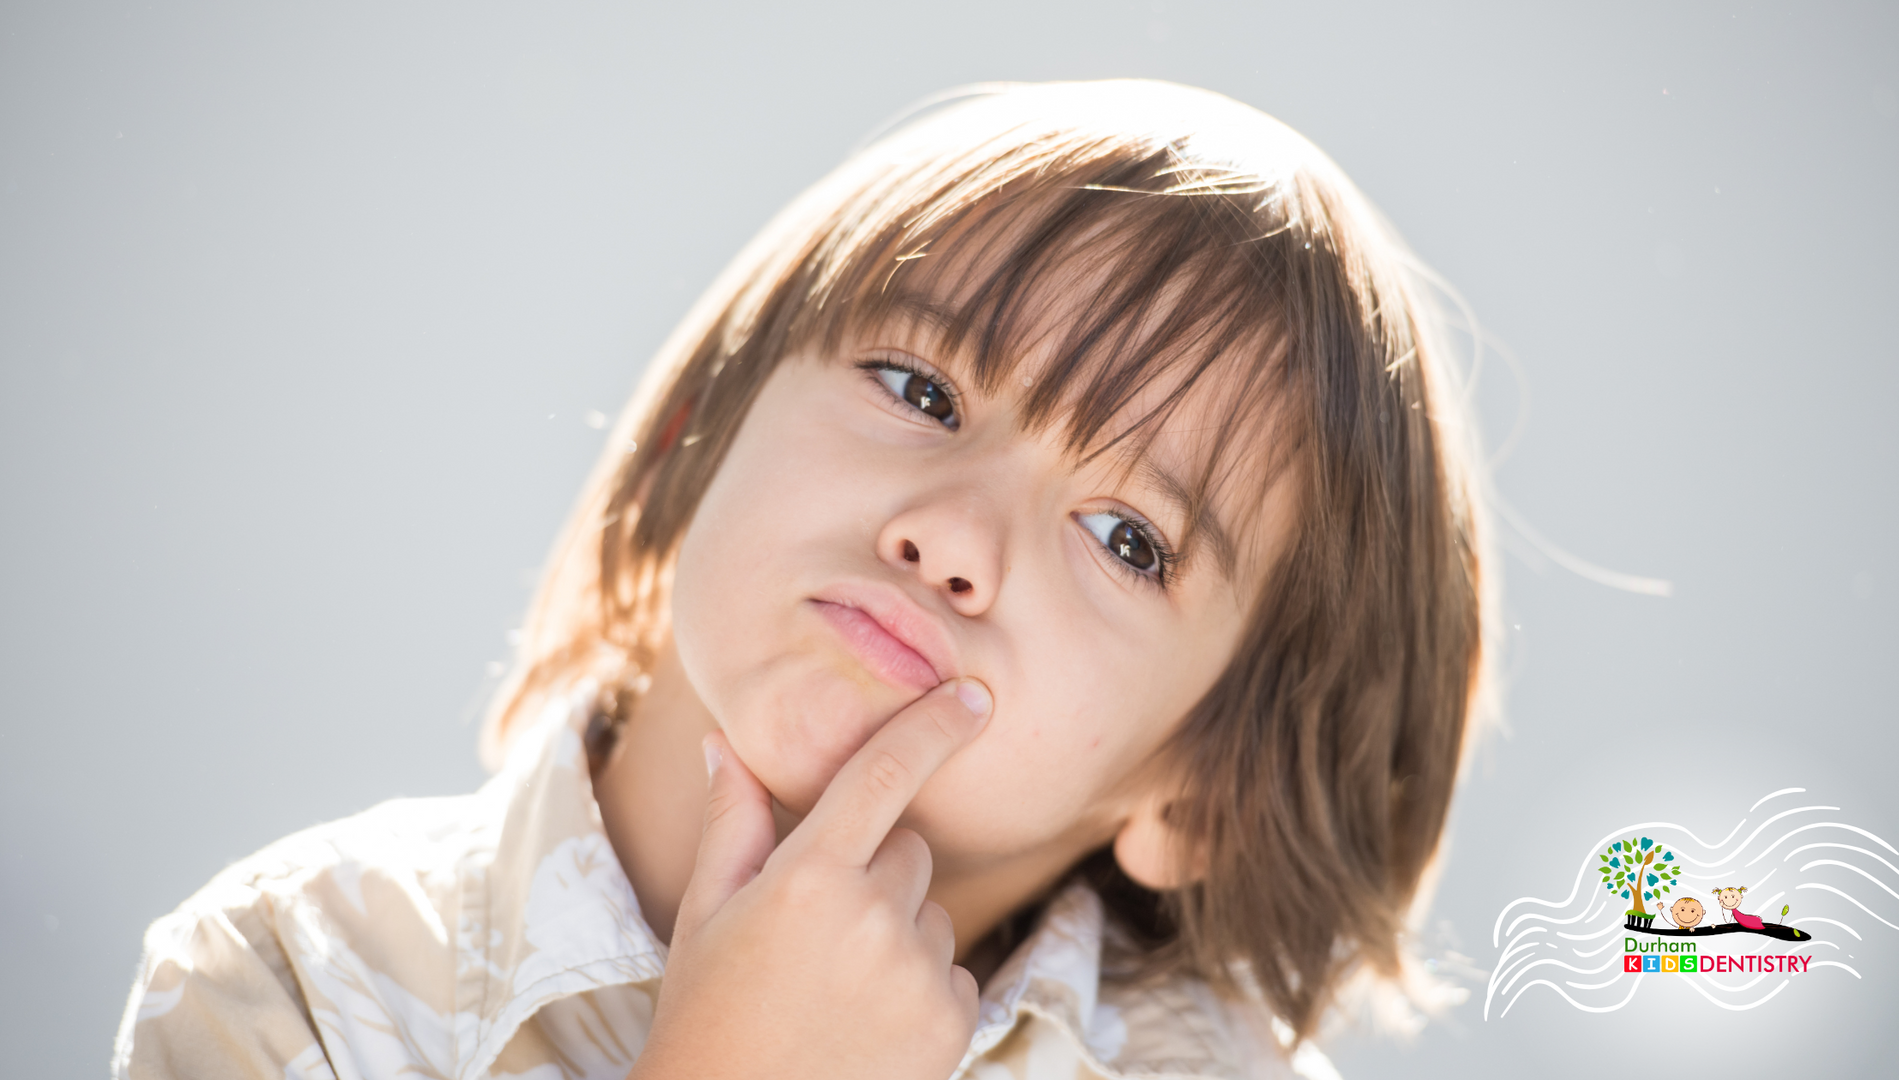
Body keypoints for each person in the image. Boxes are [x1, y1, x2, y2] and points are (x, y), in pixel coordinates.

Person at [112, 80, 1492, 1080]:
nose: (956, 536)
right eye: (921, 386)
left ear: (1203, 793)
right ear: (686, 438)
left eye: (1129, 537)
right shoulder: (301, 973)